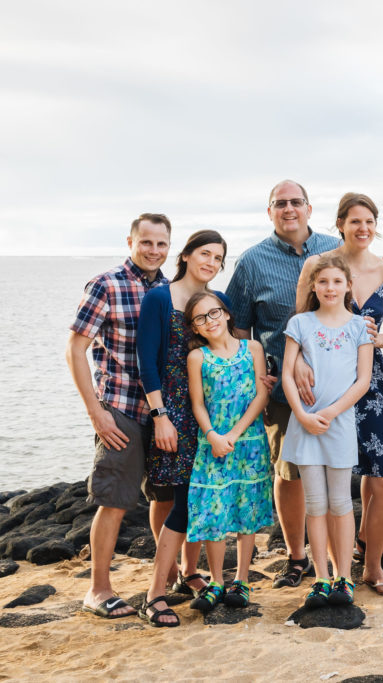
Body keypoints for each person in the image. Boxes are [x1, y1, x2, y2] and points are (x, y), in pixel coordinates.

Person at [296, 193, 383, 597]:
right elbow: (299, 321)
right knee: (334, 483)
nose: (362, 228)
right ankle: (333, 572)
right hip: (324, 383)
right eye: (354, 222)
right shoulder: (318, 266)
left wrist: (369, 342)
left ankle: (374, 565)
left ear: (376, 225)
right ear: (340, 224)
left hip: (372, 381)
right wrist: (297, 366)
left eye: (369, 222)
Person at [226, 180, 340, 589]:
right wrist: (257, 373)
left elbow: (365, 285)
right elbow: (238, 330)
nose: (288, 209)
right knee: (289, 472)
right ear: (269, 212)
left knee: (337, 469)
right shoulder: (252, 261)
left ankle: (336, 555)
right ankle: (296, 557)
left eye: (296, 202)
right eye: (280, 204)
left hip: (338, 384)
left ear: (310, 207)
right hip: (282, 390)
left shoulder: (335, 247)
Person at [67, 213, 171, 618]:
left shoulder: (168, 288)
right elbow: (75, 349)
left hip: (162, 411)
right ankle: (98, 589)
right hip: (121, 407)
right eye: (146, 243)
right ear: (130, 242)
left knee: (163, 497)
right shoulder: (106, 284)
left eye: (161, 244)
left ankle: (168, 578)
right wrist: (95, 411)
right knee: (113, 501)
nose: (154, 251)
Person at [137, 230, 228, 625]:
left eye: (219, 258)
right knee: (180, 502)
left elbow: (230, 350)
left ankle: (187, 575)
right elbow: (147, 363)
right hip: (171, 413)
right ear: (187, 255)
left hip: (208, 416)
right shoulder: (159, 297)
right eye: (205, 253)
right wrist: (160, 417)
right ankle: (154, 595)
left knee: (196, 501)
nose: (211, 262)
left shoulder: (216, 303)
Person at [281, 254, 374, 608]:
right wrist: (303, 415)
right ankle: (320, 577)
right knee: (315, 504)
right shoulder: (301, 323)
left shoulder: (359, 327)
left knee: (340, 503)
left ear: (348, 285)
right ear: (313, 287)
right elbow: (289, 374)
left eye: (337, 281)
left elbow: (362, 380)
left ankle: (344, 578)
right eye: (323, 282)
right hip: (304, 425)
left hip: (340, 423)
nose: (330, 288)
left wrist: (332, 411)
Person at [184, 292, 274, 613]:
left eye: (214, 313)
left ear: (226, 314)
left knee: (245, 509)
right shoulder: (198, 357)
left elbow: (262, 394)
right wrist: (213, 435)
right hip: (212, 444)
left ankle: (242, 580)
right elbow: (197, 403)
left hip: (249, 443)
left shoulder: (253, 349)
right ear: (194, 328)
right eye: (200, 318)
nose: (210, 321)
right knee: (214, 511)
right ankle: (217, 581)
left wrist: (234, 434)